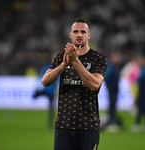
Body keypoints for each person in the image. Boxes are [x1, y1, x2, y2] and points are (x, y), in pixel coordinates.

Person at [42, 18, 108, 150]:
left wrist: (75, 62)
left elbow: (95, 84)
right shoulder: (62, 57)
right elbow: (45, 81)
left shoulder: (98, 59)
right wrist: (64, 65)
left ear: (89, 35)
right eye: (75, 31)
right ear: (70, 35)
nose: (79, 35)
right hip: (64, 126)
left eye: (83, 32)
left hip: (89, 126)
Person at [32, 52, 59, 130]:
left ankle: (50, 124)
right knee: (35, 95)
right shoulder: (48, 67)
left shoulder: (59, 68)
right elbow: (41, 76)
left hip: (51, 92)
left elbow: (59, 81)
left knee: (51, 109)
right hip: (46, 90)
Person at [131, 55, 145, 132]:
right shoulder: (144, 69)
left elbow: (138, 79)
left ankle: (138, 124)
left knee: (141, 108)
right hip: (143, 91)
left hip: (143, 92)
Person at [103, 51, 123, 130]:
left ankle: (112, 119)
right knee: (112, 105)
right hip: (112, 90)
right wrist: (109, 86)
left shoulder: (115, 67)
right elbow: (106, 78)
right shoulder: (111, 68)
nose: (118, 59)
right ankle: (111, 120)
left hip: (115, 89)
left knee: (113, 105)